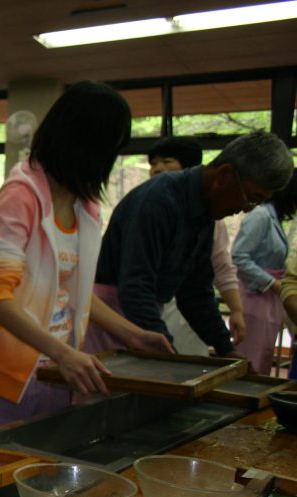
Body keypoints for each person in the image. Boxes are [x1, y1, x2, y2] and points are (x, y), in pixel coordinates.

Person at [0, 81, 173, 433]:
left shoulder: (83, 204)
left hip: (56, 367)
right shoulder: (22, 196)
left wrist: (132, 334)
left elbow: (73, 291)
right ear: (88, 147)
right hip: (6, 371)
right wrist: (61, 354)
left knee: (45, 469)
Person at [88, 131, 294, 356]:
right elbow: (136, 288)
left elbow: (195, 291)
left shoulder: (204, 209)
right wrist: (169, 355)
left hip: (141, 313)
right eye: (252, 197)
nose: (248, 208)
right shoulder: (159, 199)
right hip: (111, 319)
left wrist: (227, 351)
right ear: (224, 176)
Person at [148, 137, 247, 352]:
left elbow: (221, 265)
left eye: (166, 161)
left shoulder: (210, 214)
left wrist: (236, 309)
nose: (158, 169)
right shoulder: (148, 205)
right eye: (153, 163)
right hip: (146, 308)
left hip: (186, 312)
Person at [232, 169, 297, 373]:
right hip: (255, 295)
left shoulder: (274, 218)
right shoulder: (260, 216)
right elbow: (239, 255)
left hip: (269, 297)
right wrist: (272, 282)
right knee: (250, 360)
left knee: (263, 357)